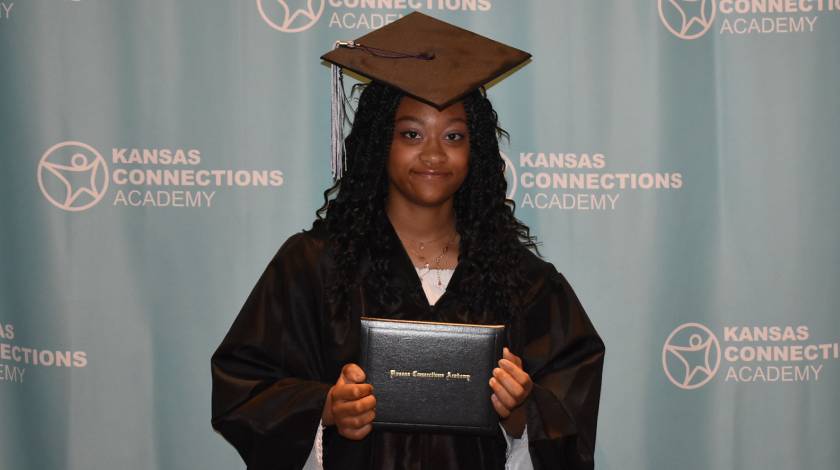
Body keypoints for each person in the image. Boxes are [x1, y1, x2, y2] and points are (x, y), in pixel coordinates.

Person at [211, 12, 604, 470]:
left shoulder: (525, 283)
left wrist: (521, 413)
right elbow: (245, 384)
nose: (434, 154)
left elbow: (569, 412)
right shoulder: (314, 267)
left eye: (454, 136)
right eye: (412, 134)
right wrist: (326, 409)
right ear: (381, 143)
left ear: (475, 151)